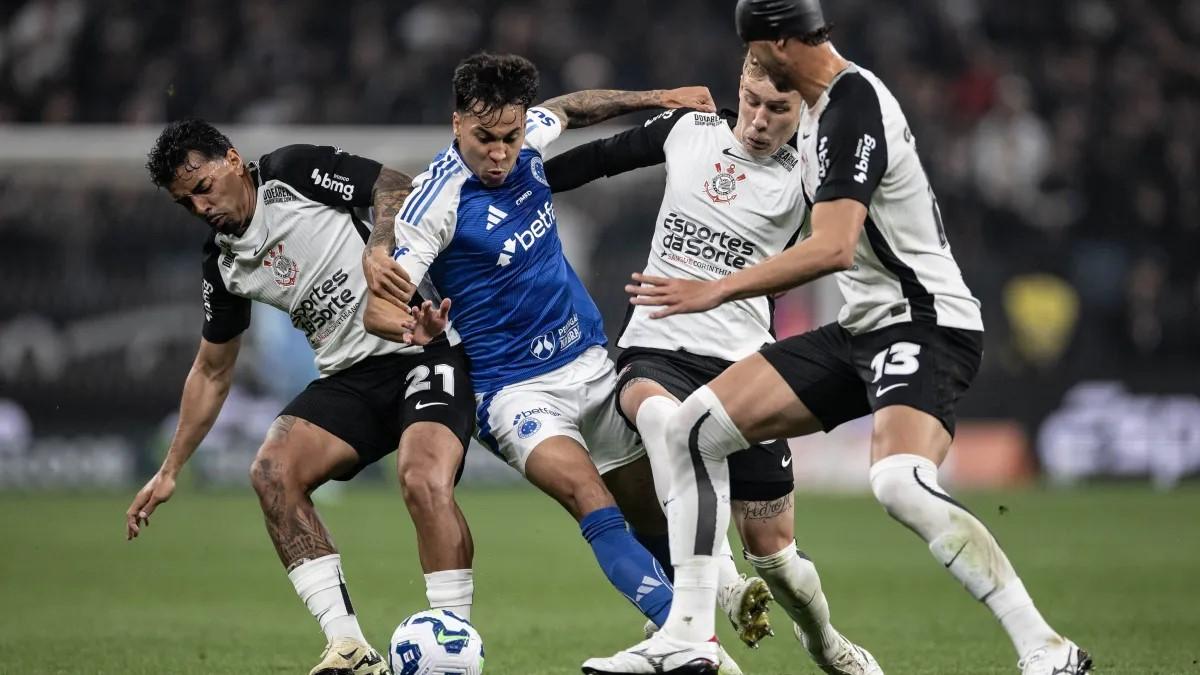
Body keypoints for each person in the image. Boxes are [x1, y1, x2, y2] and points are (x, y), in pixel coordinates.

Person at [582, 1, 1093, 674]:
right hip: (860, 329)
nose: (757, 72)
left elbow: (833, 247)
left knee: (897, 482)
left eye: (763, 53)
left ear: (787, 42)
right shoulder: (821, 113)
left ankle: (1046, 646)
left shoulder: (854, 104)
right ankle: (689, 635)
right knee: (687, 430)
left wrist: (714, 289)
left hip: (924, 319)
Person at [362, 52, 743, 674]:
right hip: (512, 392)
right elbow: (378, 305)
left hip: (590, 364)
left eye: (511, 138)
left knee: (653, 514)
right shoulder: (435, 202)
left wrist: (658, 95)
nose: (501, 153)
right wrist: (413, 325)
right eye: (485, 138)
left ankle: (701, 612)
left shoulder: (526, 133)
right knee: (590, 500)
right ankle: (697, 645)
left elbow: (572, 108)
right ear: (457, 123)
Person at [546, 54, 880, 674]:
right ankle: (718, 591)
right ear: (739, 88)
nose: (757, 120)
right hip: (657, 345)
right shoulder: (687, 131)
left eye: (776, 109)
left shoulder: (811, 174)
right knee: (663, 420)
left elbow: (849, 241)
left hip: (746, 367)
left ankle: (826, 643)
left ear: (801, 111)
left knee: (777, 556)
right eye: (751, 100)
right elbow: (594, 161)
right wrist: (515, 185)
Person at [126, 120, 477, 675]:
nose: (200, 206)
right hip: (349, 379)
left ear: (233, 160)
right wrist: (170, 469)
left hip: (422, 349)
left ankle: (455, 647)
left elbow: (393, 185)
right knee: (271, 471)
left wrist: (379, 247)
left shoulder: (290, 174)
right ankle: (350, 649)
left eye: (203, 187)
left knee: (420, 478)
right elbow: (213, 370)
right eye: (184, 202)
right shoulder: (222, 265)